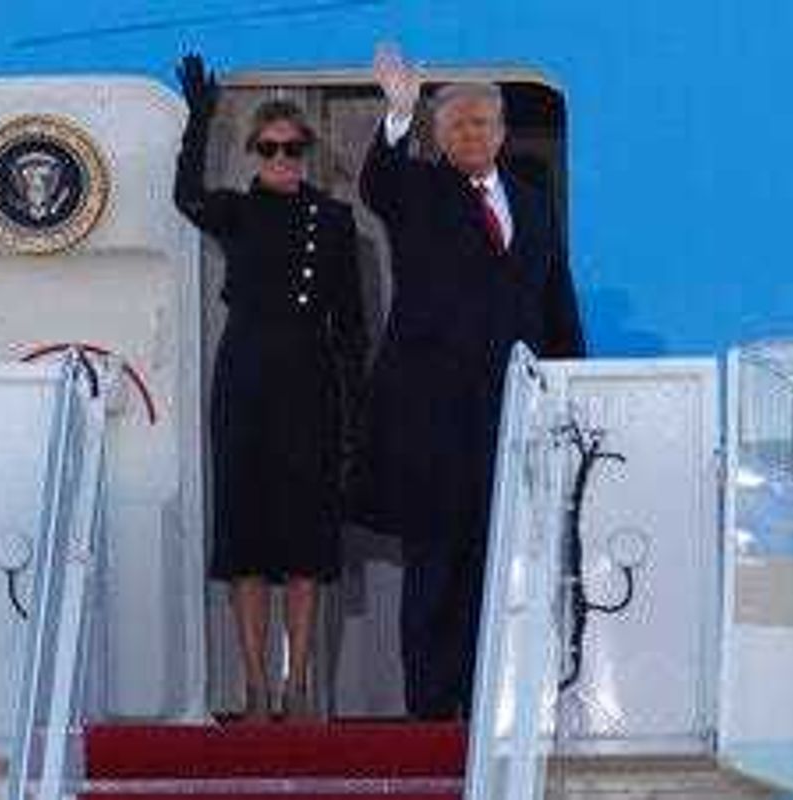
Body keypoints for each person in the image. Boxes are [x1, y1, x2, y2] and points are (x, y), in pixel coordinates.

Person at [354, 45, 585, 719]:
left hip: (511, 422)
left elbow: (554, 301)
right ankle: (431, 712)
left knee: (501, 566)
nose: (471, 134)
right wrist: (398, 114)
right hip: (433, 424)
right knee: (435, 573)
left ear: (503, 132)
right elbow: (378, 184)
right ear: (439, 134)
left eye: (483, 123)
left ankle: (490, 703)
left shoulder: (534, 204)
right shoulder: (418, 190)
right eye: (456, 125)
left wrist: (570, 383)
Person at [173, 54, 367, 720]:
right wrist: (199, 120)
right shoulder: (236, 211)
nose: (282, 157)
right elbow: (186, 199)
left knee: (306, 546)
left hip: (310, 384)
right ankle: (256, 684)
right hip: (248, 378)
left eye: (293, 147)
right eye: (269, 147)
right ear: (254, 153)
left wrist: (355, 416)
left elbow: (353, 327)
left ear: (309, 153)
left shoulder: (336, 223)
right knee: (248, 543)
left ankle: (299, 683)